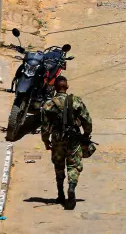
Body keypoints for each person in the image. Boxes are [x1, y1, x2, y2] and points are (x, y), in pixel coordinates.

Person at [41, 76, 93, 209]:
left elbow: (45, 128)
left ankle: (60, 193)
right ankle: (71, 187)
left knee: (59, 166)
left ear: (55, 88)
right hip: (74, 139)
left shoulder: (48, 105)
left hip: (57, 139)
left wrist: (46, 141)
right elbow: (87, 120)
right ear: (67, 87)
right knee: (73, 165)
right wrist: (86, 134)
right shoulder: (75, 101)